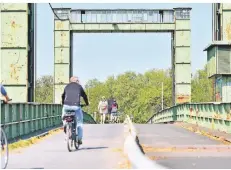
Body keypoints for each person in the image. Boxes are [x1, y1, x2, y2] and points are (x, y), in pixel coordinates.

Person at [61, 76, 89, 145]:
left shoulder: (67, 86)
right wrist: (87, 103)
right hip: (76, 106)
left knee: (63, 117)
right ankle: (79, 139)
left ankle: (65, 125)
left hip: (66, 105)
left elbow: (63, 96)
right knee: (79, 122)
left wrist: (63, 103)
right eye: (78, 80)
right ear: (76, 81)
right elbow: (84, 96)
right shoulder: (79, 87)